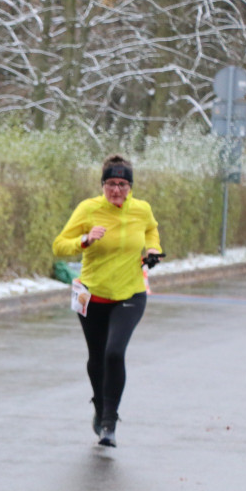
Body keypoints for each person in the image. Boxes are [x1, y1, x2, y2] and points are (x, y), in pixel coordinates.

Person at [52, 154, 162, 447]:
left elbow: (151, 229)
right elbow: (59, 246)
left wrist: (152, 249)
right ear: (102, 185)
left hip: (130, 293)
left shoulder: (141, 209)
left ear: (130, 186)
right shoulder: (88, 209)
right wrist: (85, 240)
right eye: (111, 184)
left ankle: (109, 421)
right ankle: (100, 406)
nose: (117, 190)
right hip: (92, 294)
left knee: (115, 353)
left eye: (123, 184)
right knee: (97, 356)